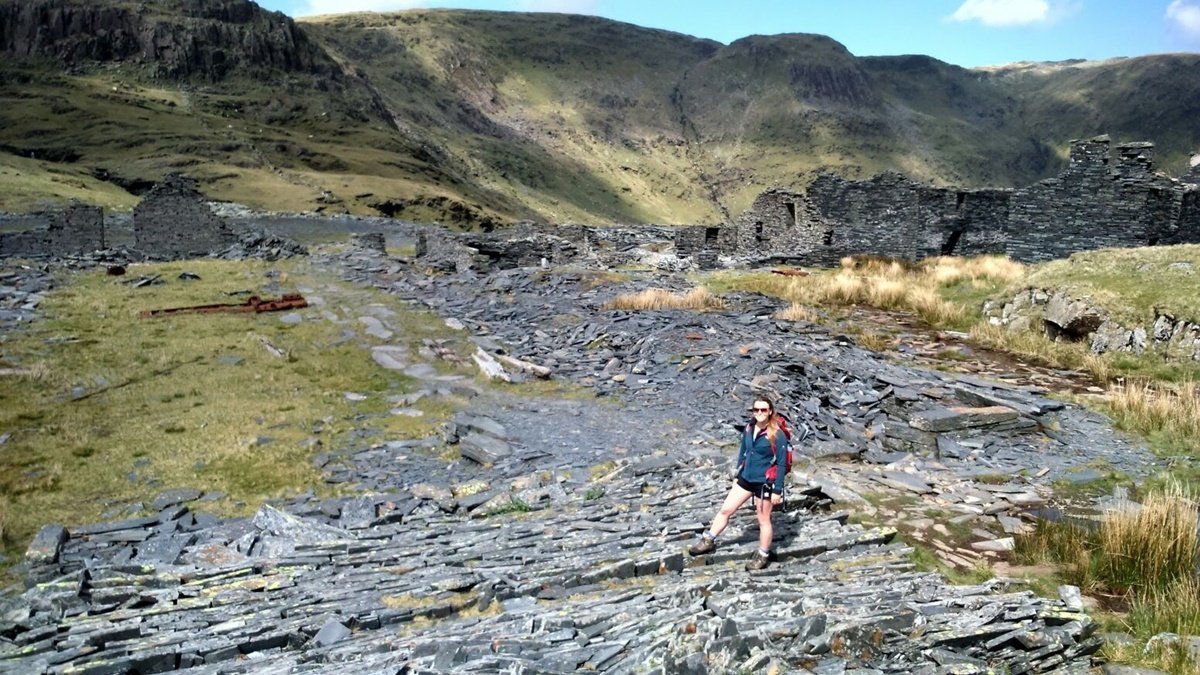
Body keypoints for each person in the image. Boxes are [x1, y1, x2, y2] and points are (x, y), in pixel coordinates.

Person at [688, 397, 789, 571]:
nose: (759, 413)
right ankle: (708, 540)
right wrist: (737, 473)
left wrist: (777, 490)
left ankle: (763, 555)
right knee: (725, 510)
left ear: (770, 411)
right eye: (756, 409)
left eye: (763, 410)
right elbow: (743, 452)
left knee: (763, 520)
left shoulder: (777, 434)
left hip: (764, 483)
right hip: (745, 478)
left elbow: (781, 463)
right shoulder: (749, 428)